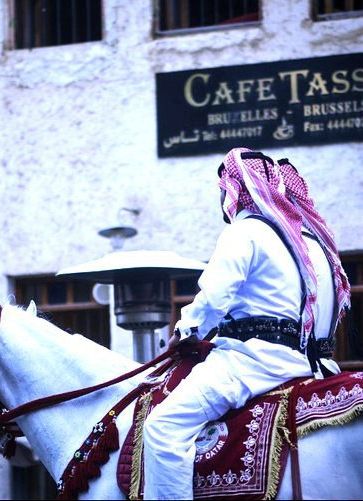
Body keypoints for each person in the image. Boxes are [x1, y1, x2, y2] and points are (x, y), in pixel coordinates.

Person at [142, 147, 351, 500]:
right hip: (312, 365)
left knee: (162, 427)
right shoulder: (315, 244)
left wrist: (186, 331)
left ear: (238, 188)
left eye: (224, 187)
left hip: (250, 364)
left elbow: (213, 298)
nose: (223, 196)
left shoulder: (246, 231)